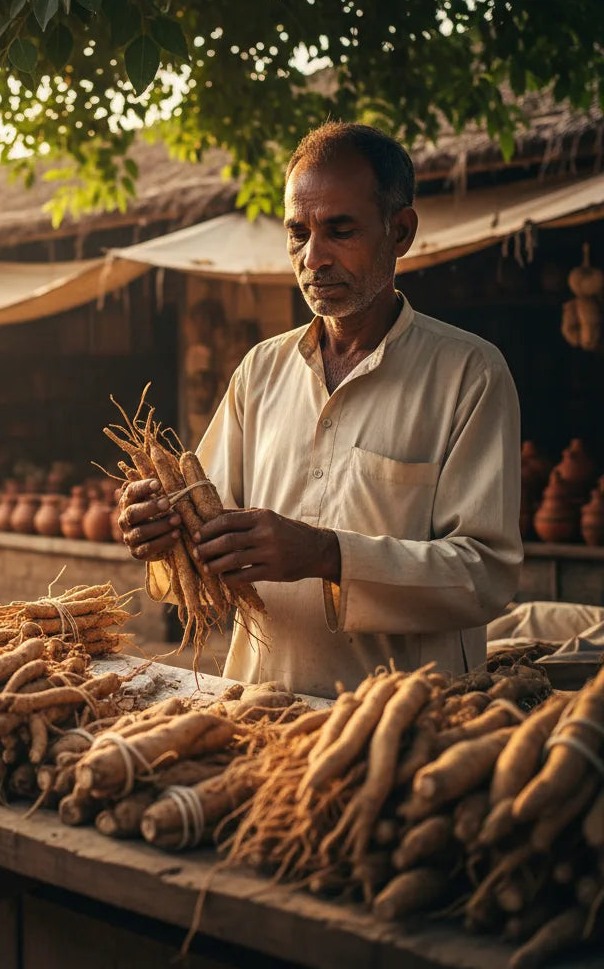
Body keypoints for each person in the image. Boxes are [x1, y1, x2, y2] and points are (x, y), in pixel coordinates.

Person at [118, 122, 522, 698]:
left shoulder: (470, 374)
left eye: (340, 230)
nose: (314, 257)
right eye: (297, 233)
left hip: (406, 722)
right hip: (260, 707)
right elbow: (206, 544)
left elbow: (486, 576)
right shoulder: (261, 371)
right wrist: (160, 531)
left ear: (400, 231)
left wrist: (327, 554)